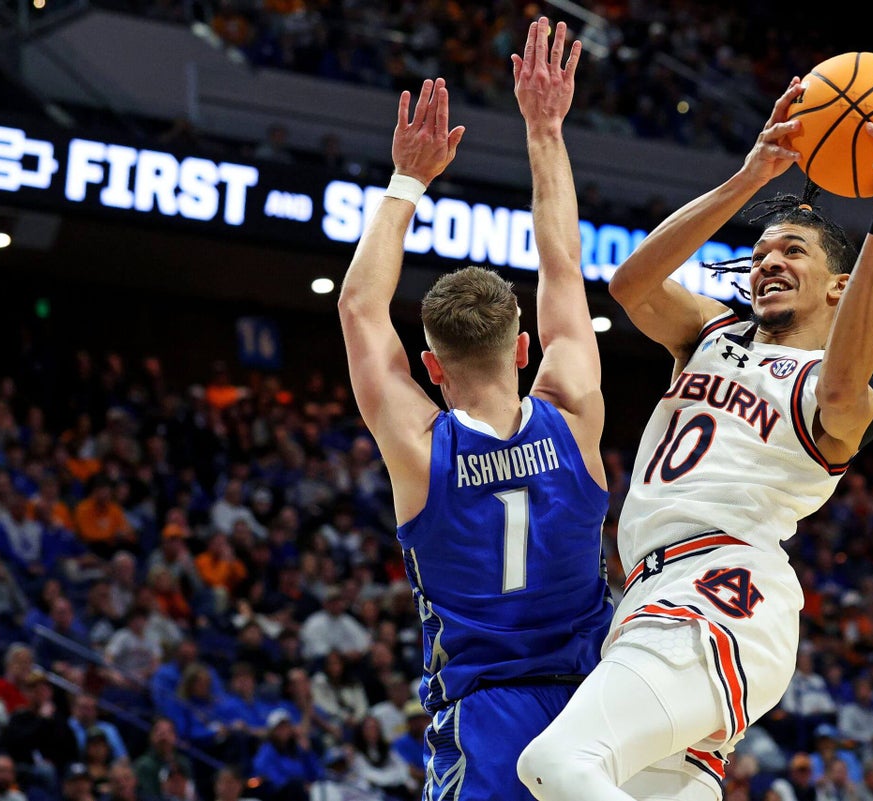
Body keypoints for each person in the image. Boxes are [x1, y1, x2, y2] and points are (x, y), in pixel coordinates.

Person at [517, 70, 873, 798]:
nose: (770, 262)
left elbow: (843, 388)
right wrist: (750, 176)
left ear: (839, 285)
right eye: (764, 253)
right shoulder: (710, 332)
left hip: (718, 591)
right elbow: (630, 285)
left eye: (795, 252)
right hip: (654, 598)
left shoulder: (834, 389)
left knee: (556, 765)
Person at [336, 17, 613, 801]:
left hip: (486, 726)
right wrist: (544, 127)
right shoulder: (575, 407)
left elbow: (360, 308)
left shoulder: (422, 450)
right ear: (525, 348)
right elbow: (563, 264)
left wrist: (407, 180)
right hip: (597, 718)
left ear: (429, 366)